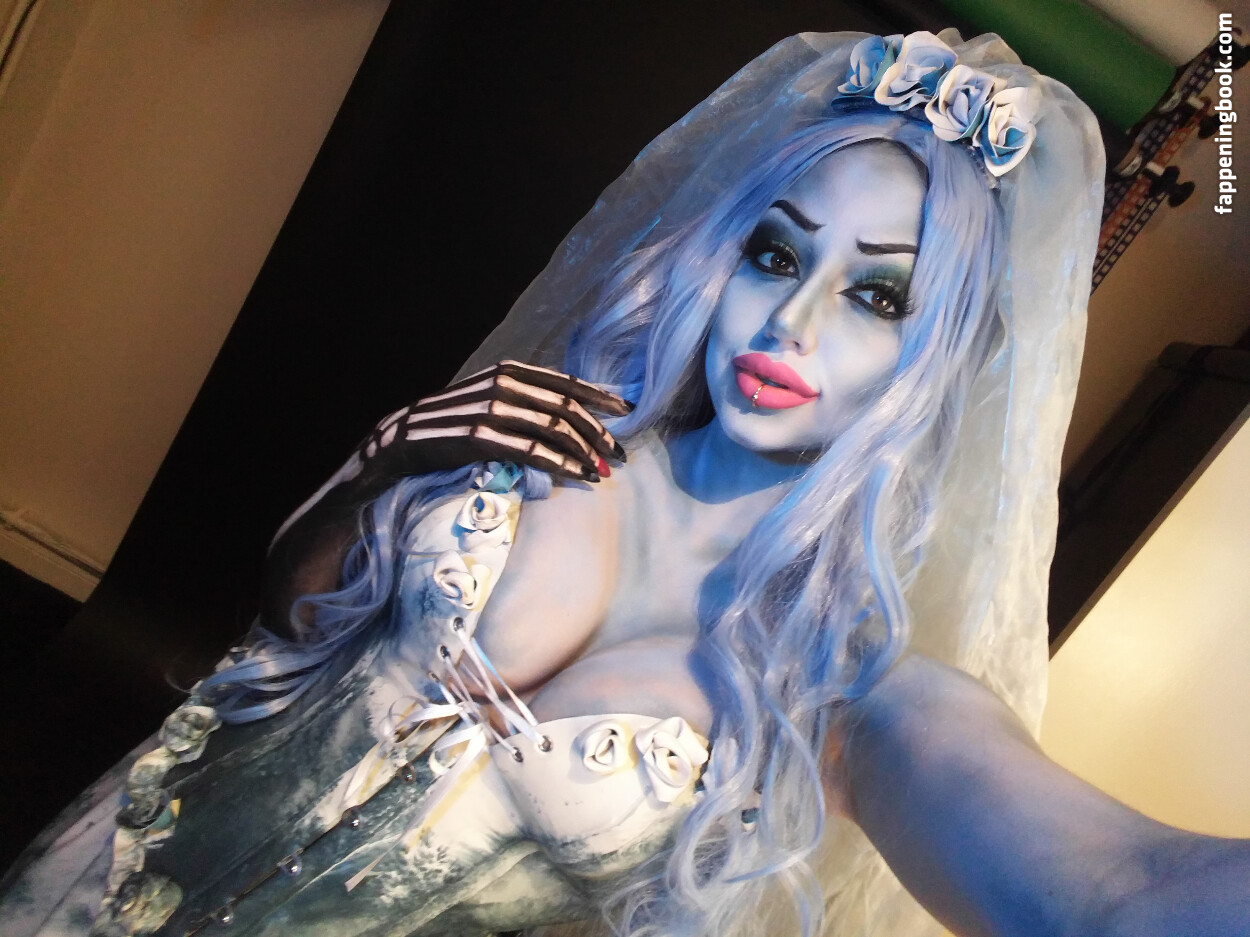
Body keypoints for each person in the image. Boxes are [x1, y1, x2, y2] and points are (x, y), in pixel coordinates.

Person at [13, 27, 1233, 937]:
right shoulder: (549, 431)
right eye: (775, 254)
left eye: (875, 294)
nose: (792, 321)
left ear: (937, 359)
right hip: (90, 880)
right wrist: (397, 451)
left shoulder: (833, 691)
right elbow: (288, 623)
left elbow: (1116, 893)